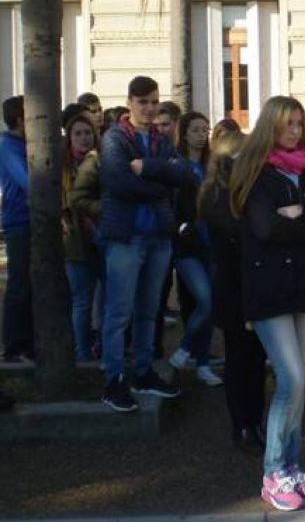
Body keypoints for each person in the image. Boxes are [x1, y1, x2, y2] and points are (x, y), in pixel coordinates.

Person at [229, 95, 305, 511]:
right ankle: (274, 470)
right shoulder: (255, 171)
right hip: (270, 289)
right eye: (288, 123)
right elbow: (266, 228)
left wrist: (304, 214)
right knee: (290, 380)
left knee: (298, 381)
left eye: (299, 123)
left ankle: (292, 464)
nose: (294, 131)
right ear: (271, 126)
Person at [98, 76, 194, 412]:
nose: (150, 108)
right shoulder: (114, 138)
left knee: (148, 310)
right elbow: (119, 182)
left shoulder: (160, 138)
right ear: (130, 103)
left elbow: (184, 175)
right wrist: (161, 183)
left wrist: (148, 169)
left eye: (154, 101)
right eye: (143, 102)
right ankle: (113, 380)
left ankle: (142, 372)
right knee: (119, 311)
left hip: (158, 236)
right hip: (126, 236)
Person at [199, 127, 269, 453]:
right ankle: (241, 424)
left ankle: (254, 421)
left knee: (256, 359)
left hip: (253, 286)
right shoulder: (215, 194)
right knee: (239, 358)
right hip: (232, 288)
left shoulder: (244, 191)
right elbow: (238, 234)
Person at [167, 112, 222, 387]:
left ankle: (202, 363)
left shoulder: (212, 165)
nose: (202, 134)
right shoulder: (177, 165)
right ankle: (185, 349)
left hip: (211, 244)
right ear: (184, 133)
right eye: (197, 129)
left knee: (208, 304)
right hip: (187, 246)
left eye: (205, 129)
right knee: (205, 299)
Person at [62, 114, 103, 362]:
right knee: (82, 301)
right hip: (76, 241)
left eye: (87, 132)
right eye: (78, 133)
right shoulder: (63, 166)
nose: (84, 138)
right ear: (69, 138)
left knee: (106, 300)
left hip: (105, 238)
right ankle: (82, 353)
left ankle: (103, 347)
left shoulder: (104, 161)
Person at [0, 96, 33, 362]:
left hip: (31, 220)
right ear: (21, 119)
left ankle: (28, 341)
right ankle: (13, 346)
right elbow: (27, 180)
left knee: (32, 283)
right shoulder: (8, 146)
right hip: (19, 221)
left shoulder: (22, 144)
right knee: (19, 284)